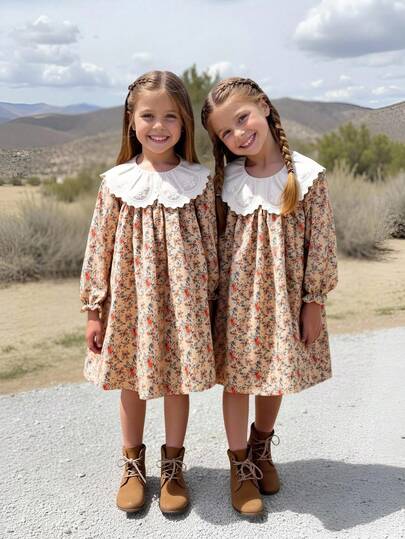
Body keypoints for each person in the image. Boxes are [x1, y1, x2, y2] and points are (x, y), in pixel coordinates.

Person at [80, 70, 218, 515]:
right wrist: (94, 309)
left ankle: (174, 466)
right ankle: (132, 464)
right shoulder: (117, 182)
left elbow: (212, 247)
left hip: (183, 304)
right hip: (130, 303)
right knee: (131, 382)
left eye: (170, 116)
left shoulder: (198, 181)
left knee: (177, 383)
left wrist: (210, 300)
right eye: (148, 116)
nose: (159, 126)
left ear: (184, 123)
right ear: (131, 120)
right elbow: (98, 247)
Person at [201, 77, 338, 516]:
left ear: (263, 105)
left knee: (274, 375)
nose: (239, 134)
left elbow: (321, 243)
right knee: (237, 381)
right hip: (236, 303)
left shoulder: (307, 175)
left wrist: (313, 301)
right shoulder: (226, 181)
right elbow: (212, 242)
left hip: (283, 299)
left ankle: (261, 446)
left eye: (243, 118)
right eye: (226, 132)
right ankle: (239, 464)